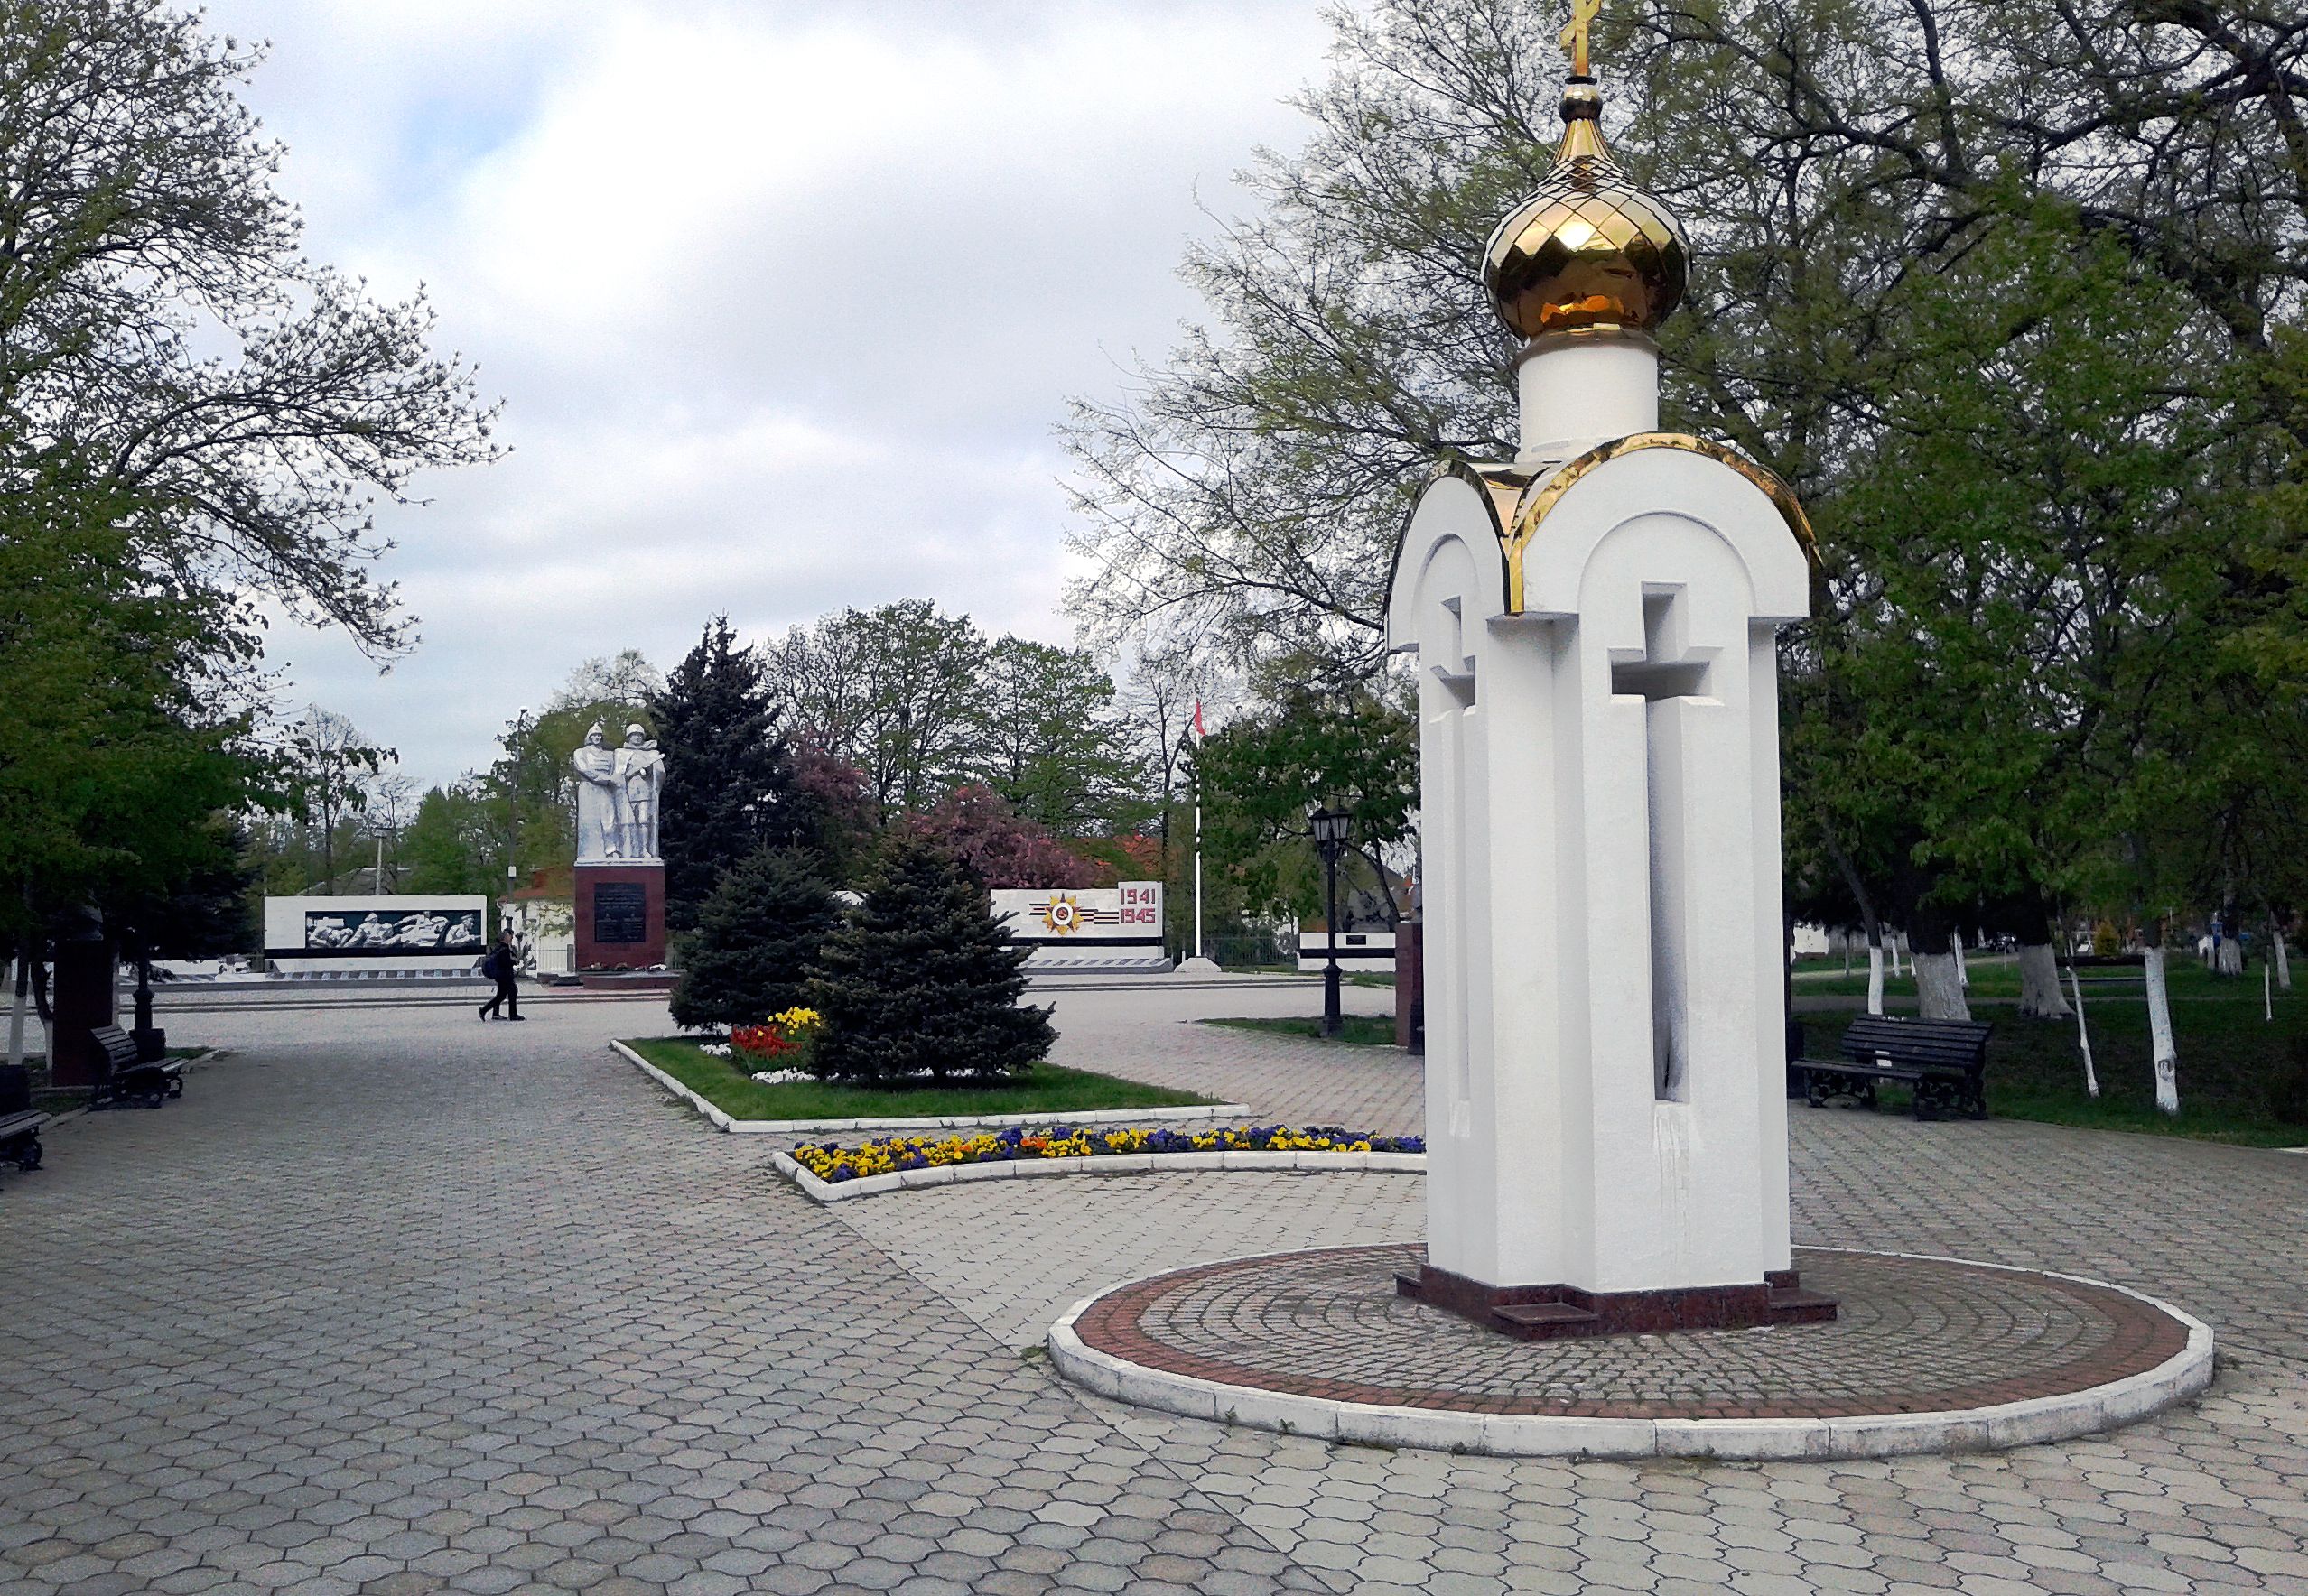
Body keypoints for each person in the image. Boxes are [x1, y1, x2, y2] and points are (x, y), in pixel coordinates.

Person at [478, 930, 525, 1021]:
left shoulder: (499, 947)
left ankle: (485, 1010)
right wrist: (514, 961)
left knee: (501, 995)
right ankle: (513, 1015)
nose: (511, 937)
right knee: (513, 992)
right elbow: (505, 962)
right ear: (506, 937)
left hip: (500, 976)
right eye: (510, 936)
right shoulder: (504, 949)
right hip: (505, 976)